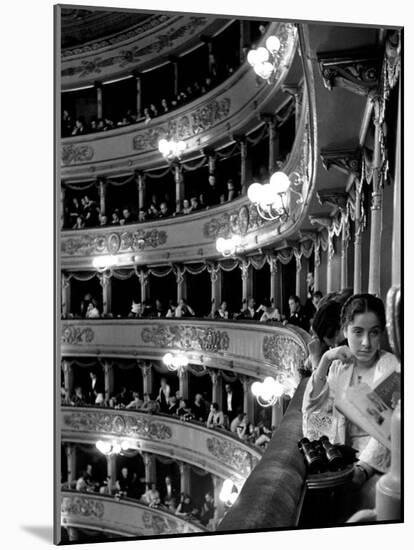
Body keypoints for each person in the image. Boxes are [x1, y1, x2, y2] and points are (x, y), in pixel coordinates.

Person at [302, 294, 400, 510]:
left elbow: (389, 431)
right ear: (344, 330)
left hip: (378, 468)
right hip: (342, 462)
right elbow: (315, 420)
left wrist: (363, 468)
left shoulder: (391, 368)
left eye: (374, 333)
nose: (366, 343)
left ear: (381, 333)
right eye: (358, 332)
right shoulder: (339, 367)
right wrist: (326, 360)